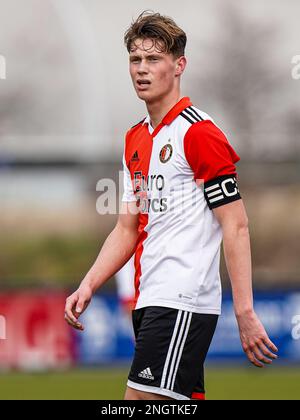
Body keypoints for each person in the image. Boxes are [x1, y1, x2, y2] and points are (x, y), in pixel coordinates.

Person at [64, 11, 278, 400]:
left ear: (179, 65)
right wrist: (89, 283)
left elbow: (236, 224)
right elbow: (127, 228)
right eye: (135, 59)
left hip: (181, 299)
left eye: (153, 59)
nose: (141, 70)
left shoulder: (199, 134)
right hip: (150, 299)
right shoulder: (134, 139)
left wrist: (244, 311)